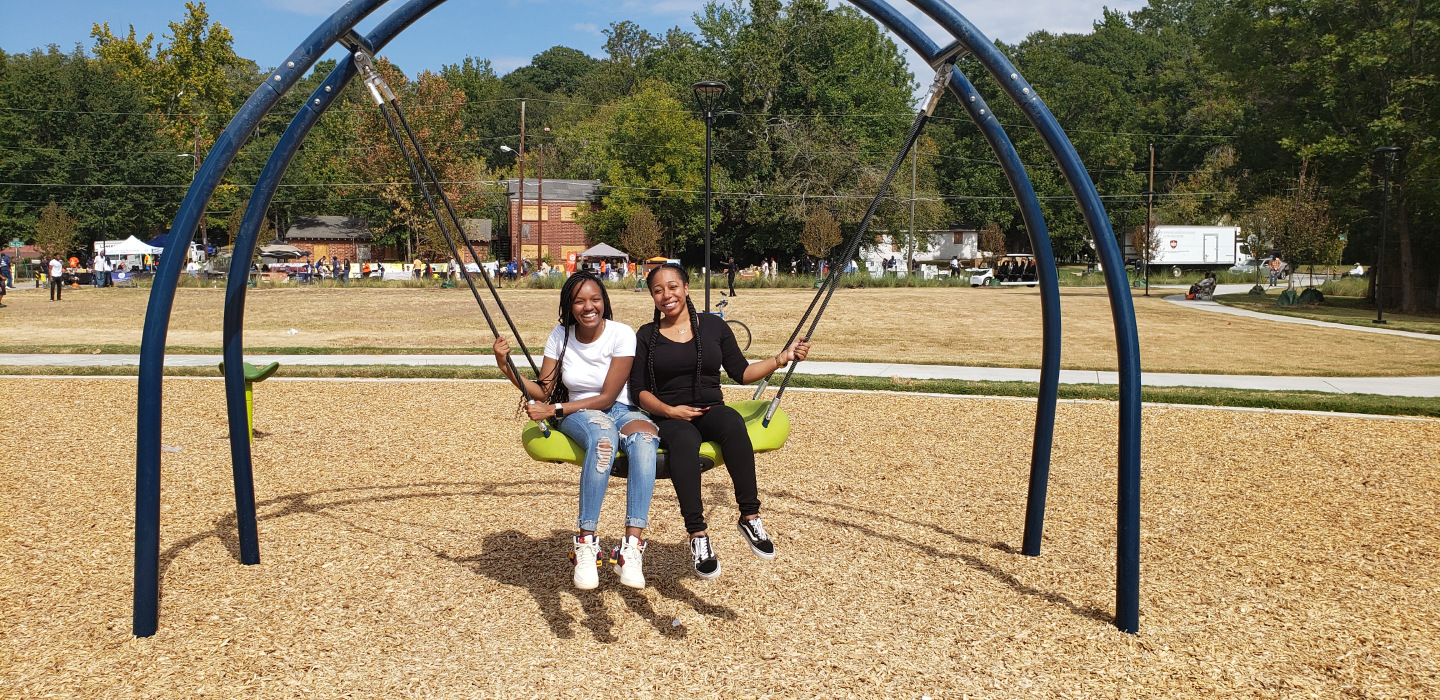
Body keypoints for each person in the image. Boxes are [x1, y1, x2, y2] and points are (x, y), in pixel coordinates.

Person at [631, 263, 811, 579]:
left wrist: (782, 358)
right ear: (652, 297)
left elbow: (741, 373)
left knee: (731, 423)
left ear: (686, 288)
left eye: (672, 287)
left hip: (711, 409)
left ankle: (750, 517)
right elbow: (639, 391)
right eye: (658, 290)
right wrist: (669, 411)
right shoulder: (647, 335)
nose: (666, 295)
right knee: (685, 442)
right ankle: (698, 535)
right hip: (669, 415)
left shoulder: (713, 327)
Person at [495, 271, 660, 590]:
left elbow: (609, 397)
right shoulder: (561, 335)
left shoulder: (621, 334)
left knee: (645, 440)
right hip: (579, 413)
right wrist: (506, 367)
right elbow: (544, 390)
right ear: (569, 306)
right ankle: (586, 543)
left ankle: (631, 549)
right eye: (580, 301)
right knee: (602, 440)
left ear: (604, 302)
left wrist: (553, 410)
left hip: (618, 408)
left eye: (595, 299)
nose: (589, 306)